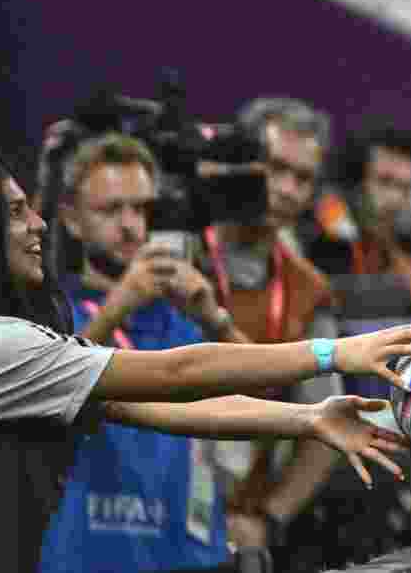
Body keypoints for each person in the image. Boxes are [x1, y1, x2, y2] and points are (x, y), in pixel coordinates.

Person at [0, 147, 411, 573]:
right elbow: (177, 373)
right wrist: (334, 353)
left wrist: (307, 417)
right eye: (17, 212)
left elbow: (161, 407)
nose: (38, 223)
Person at [200, 98, 403, 571]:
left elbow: (324, 427)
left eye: (303, 178)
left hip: (230, 528)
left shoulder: (309, 290)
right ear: (240, 166)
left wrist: (268, 521)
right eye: (275, 169)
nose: (288, 190)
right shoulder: (175, 256)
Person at [36, 133, 253, 572]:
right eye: (111, 210)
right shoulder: (51, 313)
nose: (131, 225)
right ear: (72, 220)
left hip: (189, 557)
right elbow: (53, 393)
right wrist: (119, 305)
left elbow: (266, 399)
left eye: (141, 209)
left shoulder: (186, 320)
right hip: (87, 556)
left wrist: (217, 318)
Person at [300, 119, 411, 315]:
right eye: (385, 182)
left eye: (405, 188)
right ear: (357, 180)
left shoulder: (399, 238)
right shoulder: (325, 220)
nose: (395, 198)